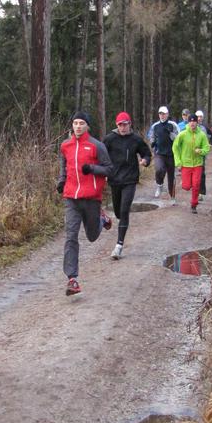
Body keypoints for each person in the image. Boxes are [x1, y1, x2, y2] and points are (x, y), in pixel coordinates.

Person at [57, 110, 113, 295]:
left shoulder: (96, 146)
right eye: (75, 123)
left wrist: (93, 169)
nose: (78, 126)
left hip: (91, 198)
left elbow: (109, 169)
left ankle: (101, 220)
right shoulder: (65, 146)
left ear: (87, 125)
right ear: (72, 125)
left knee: (91, 236)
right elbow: (64, 167)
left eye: (81, 123)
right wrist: (61, 182)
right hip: (71, 198)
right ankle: (72, 279)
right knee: (71, 236)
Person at [103, 112, 151, 259]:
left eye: (125, 124)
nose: (123, 127)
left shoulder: (135, 139)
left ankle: (119, 245)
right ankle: (115, 219)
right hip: (115, 179)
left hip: (130, 179)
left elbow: (146, 153)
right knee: (118, 211)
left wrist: (145, 161)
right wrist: (102, 171)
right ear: (116, 125)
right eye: (120, 125)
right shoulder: (109, 139)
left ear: (130, 124)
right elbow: (100, 155)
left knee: (124, 210)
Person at [172, 112, 211, 212]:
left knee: (196, 184)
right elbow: (175, 147)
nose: (192, 123)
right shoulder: (183, 134)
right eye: (190, 121)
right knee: (186, 186)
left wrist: (201, 151)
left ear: (197, 123)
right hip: (186, 164)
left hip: (198, 164)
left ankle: (194, 204)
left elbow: (207, 148)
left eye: (194, 121)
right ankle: (185, 183)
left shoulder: (201, 135)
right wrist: (178, 162)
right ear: (188, 123)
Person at [148, 105, 179, 205]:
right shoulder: (155, 126)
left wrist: (171, 134)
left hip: (171, 154)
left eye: (164, 114)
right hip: (159, 153)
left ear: (167, 114)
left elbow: (178, 138)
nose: (162, 115)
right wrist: (152, 142)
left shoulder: (173, 125)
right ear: (159, 115)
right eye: (160, 114)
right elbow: (151, 135)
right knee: (159, 169)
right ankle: (159, 185)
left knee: (171, 177)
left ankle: (172, 196)